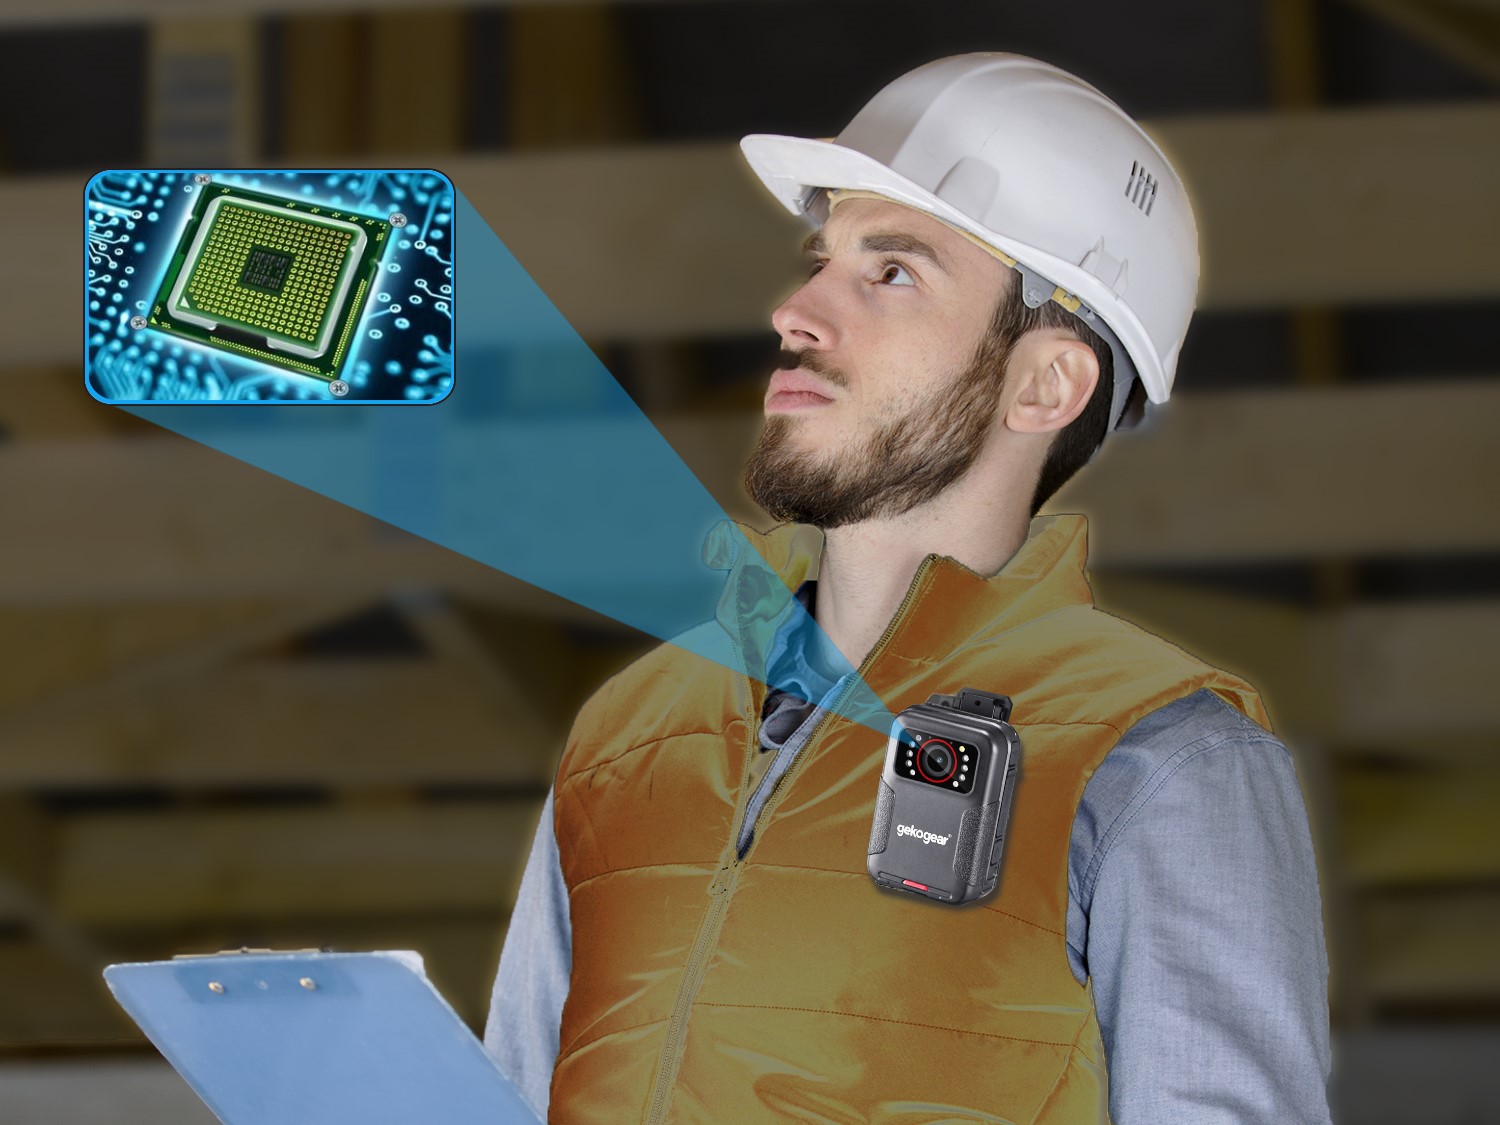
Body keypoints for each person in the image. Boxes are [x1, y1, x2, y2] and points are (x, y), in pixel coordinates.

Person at [485, 53, 1332, 1124]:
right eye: (819, 261)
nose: (796, 311)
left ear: (1045, 382)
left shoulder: (1162, 761)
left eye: (892, 273)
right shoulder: (629, 729)